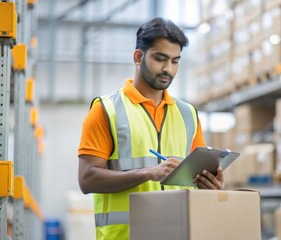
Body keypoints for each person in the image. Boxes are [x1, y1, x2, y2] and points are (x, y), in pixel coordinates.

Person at [78, 17, 224, 239]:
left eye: (175, 61)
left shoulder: (188, 115)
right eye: (160, 59)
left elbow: (195, 182)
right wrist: (148, 173)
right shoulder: (106, 110)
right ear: (138, 57)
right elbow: (87, 179)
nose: (168, 69)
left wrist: (210, 184)